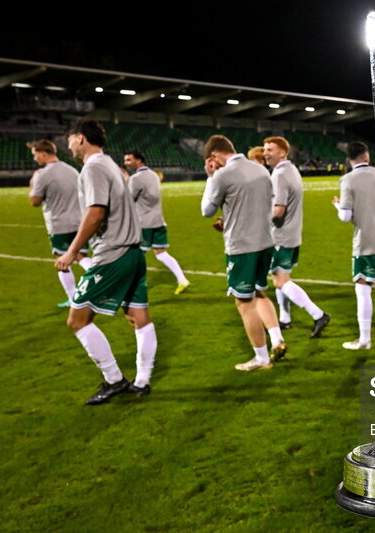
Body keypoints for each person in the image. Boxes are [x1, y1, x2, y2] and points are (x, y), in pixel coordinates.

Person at [56, 119, 156, 404]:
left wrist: (72, 251)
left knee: (77, 319)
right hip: (134, 252)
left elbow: (96, 212)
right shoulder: (111, 164)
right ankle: (142, 381)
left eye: (70, 139)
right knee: (139, 317)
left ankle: (114, 380)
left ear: (80, 138)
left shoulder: (94, 167)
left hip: (114, 252)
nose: (69, 146)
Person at [200, 135, 286, 370]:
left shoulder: (222, 174)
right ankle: (277, 338)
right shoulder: (260, 170)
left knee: (244, 302)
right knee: (260, 291)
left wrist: (210, 177)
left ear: (214, 156)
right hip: (265, 242)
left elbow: (206, 210)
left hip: (242, 247)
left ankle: (261, 358)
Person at [332, 141, 375, 350]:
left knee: (362, 286)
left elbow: (345, 216)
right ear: (366, 156)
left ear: (349, 159)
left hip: (365, 242)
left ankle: (364, 340)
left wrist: (337, 205)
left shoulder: (348, 179)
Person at [262, 136, 330, 337]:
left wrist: (259, 219)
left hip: (281, 235)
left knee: (280, 281)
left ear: (283, 152)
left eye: (270, 149)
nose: (265, 153)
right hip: (292, 233)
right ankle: (285, 319)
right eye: (265, 149)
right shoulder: (291, 170)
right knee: (280, 277)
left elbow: (279, 210)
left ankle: (318, 315)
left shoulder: (279, 174)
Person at [28, 139, 94, 306]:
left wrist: (32, 184)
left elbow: (35, 201)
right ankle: (104, 280)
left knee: (61, 259)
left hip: (59, 224)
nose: (35, 159)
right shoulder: (72, 170)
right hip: (79, 221)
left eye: (35, 155)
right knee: (80, 256)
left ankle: (73, 298)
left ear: (43, 154)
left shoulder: (42, 175)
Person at [123, 150, 191, 295]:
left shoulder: (136, 178)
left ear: (139, 160)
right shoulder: (154, 174)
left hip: (143, 223)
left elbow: (128, 200)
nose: (126, 163)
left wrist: (126, 182)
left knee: (136, 255)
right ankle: (182, 279)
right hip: (158, 221)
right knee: (161, 253)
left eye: (129, 160)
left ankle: (135, 287)